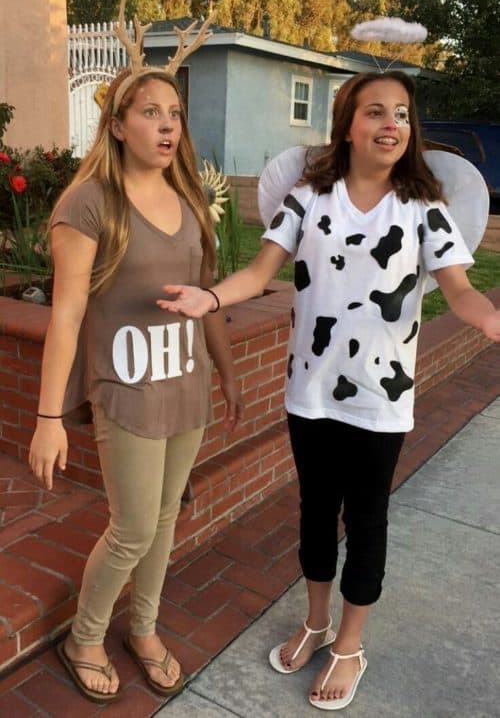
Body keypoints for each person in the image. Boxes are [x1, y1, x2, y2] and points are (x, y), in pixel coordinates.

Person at [157, 71, 500, 711]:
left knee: (366, 522)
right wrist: (210, 297)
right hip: (310, 393)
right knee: (316, 514)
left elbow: (457, 288)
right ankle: (316, 622)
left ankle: (350, 643)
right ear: (347, 126)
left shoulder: (424, 208)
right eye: (376, 112)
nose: (392, 124)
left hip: (380, 399)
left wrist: (488, 317)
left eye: (402, 114)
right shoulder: (310, 197)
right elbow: (259, 271)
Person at [28, 61, 242, 704]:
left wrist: (227, 372)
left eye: (174, 114)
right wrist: (47, 419)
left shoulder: (190, 199)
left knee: (165, 519)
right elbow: (66, 315)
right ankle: (85, 638)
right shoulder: (89, 204)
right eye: (150, 112)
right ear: (118, 126)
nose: (167, 125)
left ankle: (143, 629)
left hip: (186, 387)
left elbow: (208, 297)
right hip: (127, 391)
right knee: (132, 529)